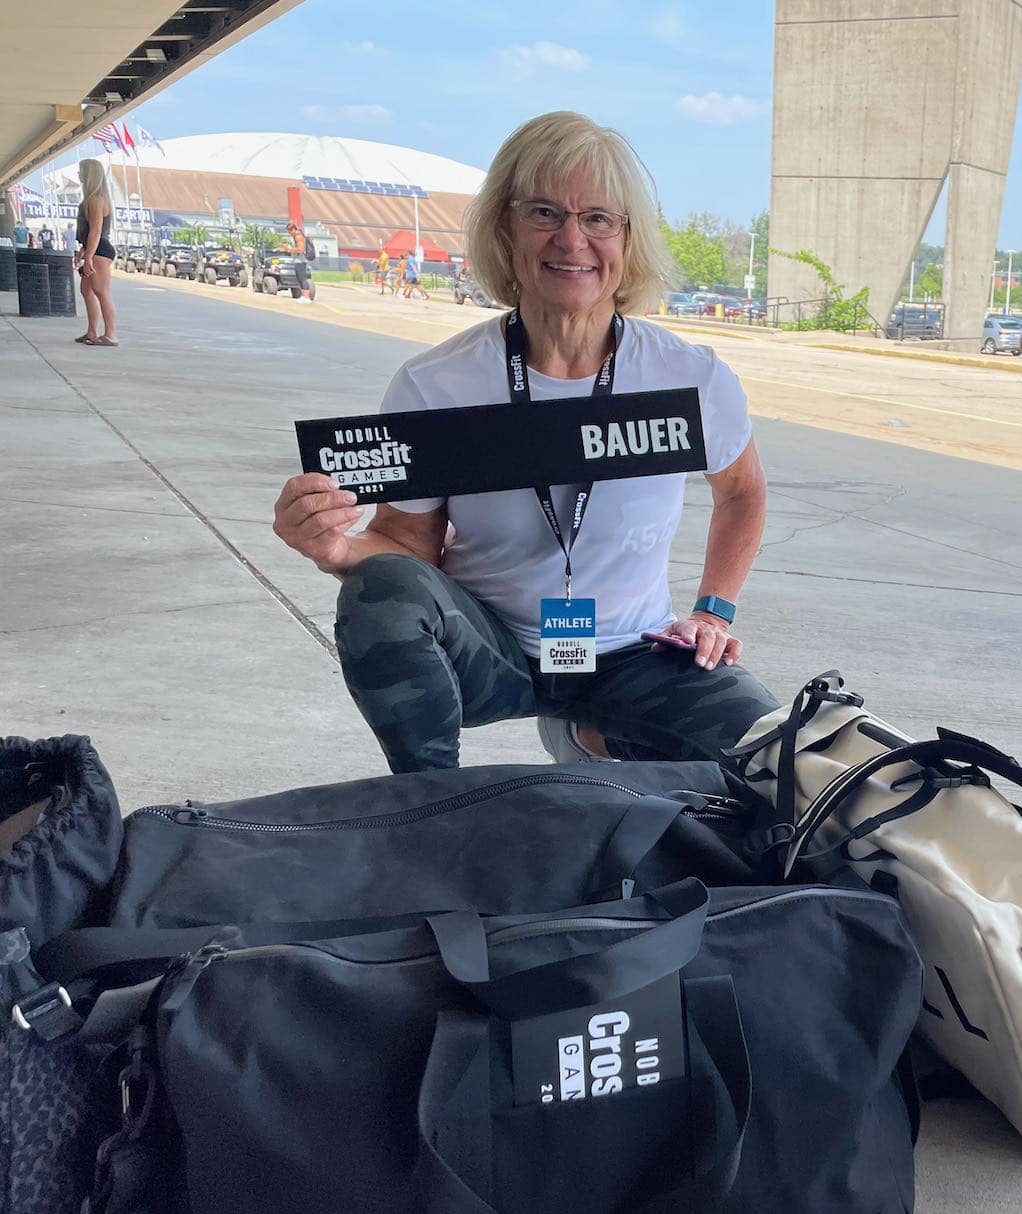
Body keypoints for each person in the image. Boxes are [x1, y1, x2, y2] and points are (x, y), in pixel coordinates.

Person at [272, 110, 777, 774]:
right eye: (544, 212)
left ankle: (595, 733)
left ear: (629, 239)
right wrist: (338, 548)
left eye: (599, 217)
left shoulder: (689, 379)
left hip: (631, 654)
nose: (573, 239)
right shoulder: (440, 384)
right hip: (491, 647)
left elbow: (741, 494)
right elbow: (406, 547)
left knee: (768, 754)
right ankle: (430, 809)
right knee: (380, 591)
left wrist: (712, 610)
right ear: (505, 230)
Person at [73, 159, 118, 347]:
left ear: (89, 174)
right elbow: (90, 231)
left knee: (101, 291)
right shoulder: (92, 199)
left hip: (99, 249)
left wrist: (89, 255)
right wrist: (84, 251)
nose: (79, 174)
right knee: (87, 290)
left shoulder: (96, 199)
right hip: (93, 247)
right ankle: (92, 332)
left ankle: (111, 334)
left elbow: (96, 230)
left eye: (81, 171)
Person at [284, 221, 312, 303]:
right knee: (300, 279)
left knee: (303, 278)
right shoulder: (296, 237)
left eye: (289, 232)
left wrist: (290, 249)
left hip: (301, 260)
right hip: (297, 260)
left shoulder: (298, 237)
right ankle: (303, 296)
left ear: (293, 229)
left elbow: (300, 249)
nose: (289, 233)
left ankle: (306, 297)